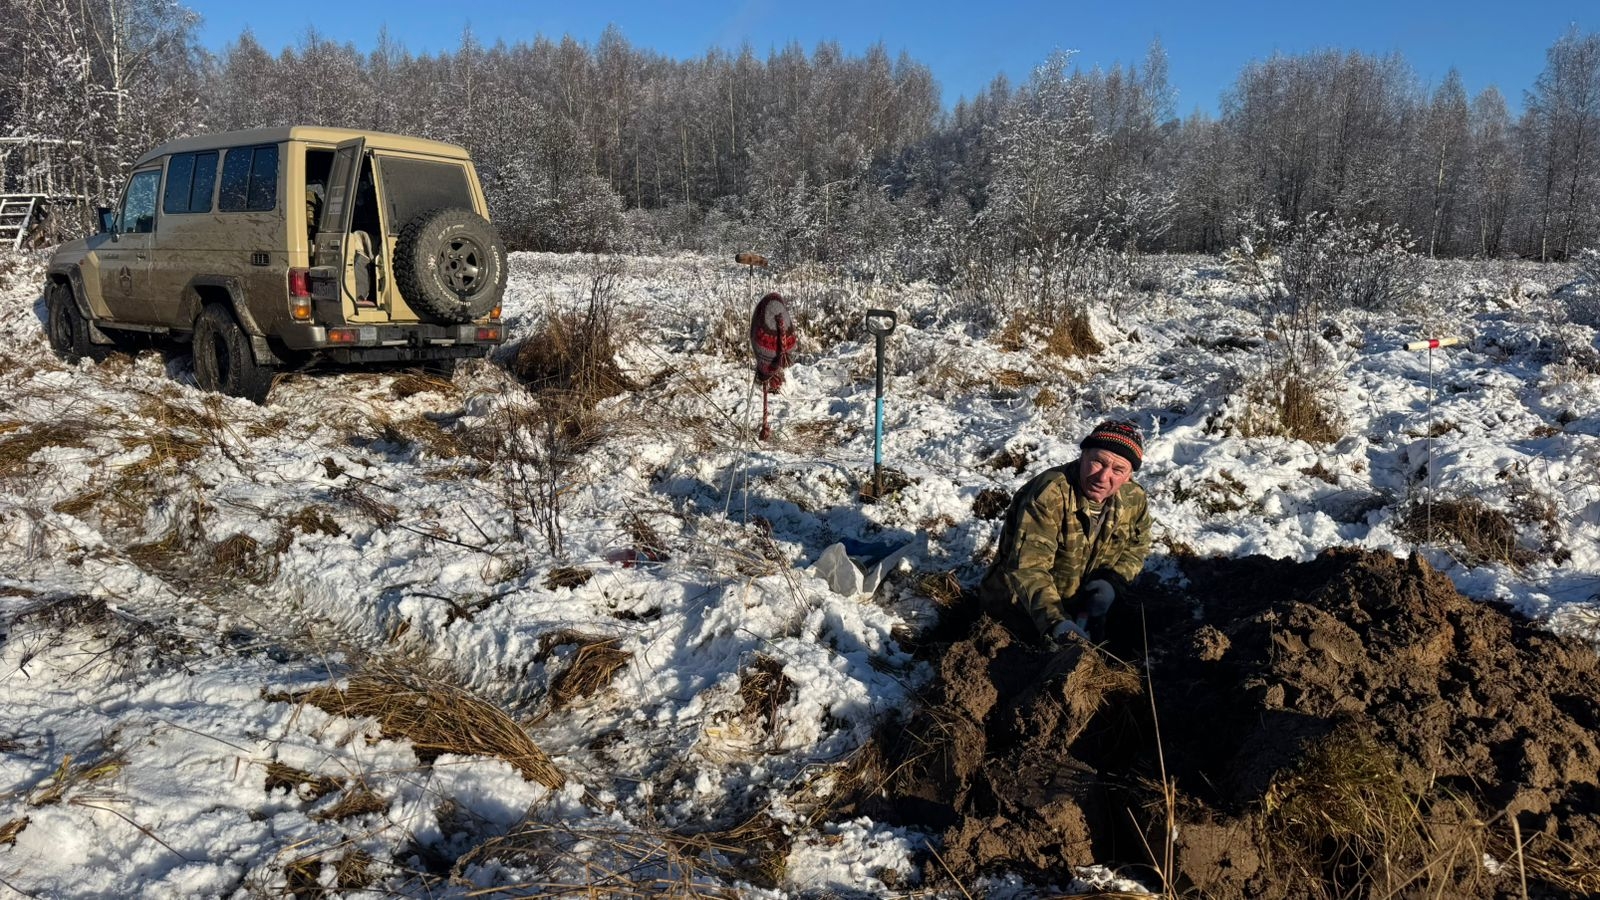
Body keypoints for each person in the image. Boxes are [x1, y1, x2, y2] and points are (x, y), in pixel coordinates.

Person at [979, 419, 1153, 645]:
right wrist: (1055, 621)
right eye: (1098, 462)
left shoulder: (1134, 498)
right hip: (1020, 614)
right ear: (1083, 455)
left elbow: (1137, 547)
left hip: (1083, 609)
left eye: (1118, 470)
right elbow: (1028, 568)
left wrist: (1112, 583)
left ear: (1129, 475)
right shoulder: (1048, 495)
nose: (1103, 477)